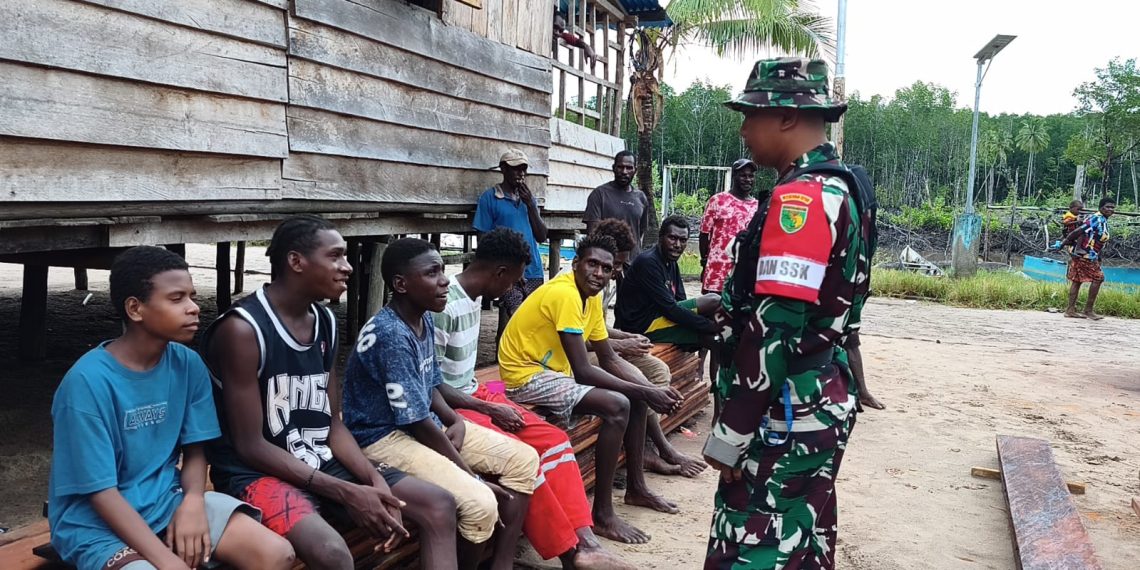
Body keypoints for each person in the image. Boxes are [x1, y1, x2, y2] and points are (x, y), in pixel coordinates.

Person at [203, 216, 459, 570]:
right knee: (333, 553)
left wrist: (373, 481)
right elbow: (250, 445)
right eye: (336, 256)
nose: (348, 266)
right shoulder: (243, 331)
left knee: (439, 505)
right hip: (255, 473)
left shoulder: (324, 321)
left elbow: (332, 424)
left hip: (318, 458)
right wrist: (346, 491)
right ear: (296, 262)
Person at [703, 58, 870, 570]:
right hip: (815, 397)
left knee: (752, 546)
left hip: (786, 408)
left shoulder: (801, 197)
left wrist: (731, 432)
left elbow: (774, 327)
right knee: (802, 542)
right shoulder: (847, 186)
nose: (743, 128)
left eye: (751, 115)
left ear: (787, 117)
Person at [49, 246, 295, 570]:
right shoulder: (86, 384)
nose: (194, 308)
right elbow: (101, 494)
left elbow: (196, 451)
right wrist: (166, 560)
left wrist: (192, 501)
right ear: (135, 309)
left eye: (192, 296)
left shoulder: (188, 364)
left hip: (167, 503)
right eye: (177, 298)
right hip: (96, 526)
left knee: (277, 554)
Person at [432, 228, 635, 570]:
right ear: (500, 273)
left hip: (472, 395)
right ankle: (571, 552)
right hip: (452, 407)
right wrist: (486, 406)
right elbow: (431, 385)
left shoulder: (471, 300)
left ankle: (586, 538)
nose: (513, 288)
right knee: (523, 457)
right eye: (514, 280)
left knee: (554, 439)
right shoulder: (443, 306)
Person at [343, 238, 538, 570]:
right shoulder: (392, 334)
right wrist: (469, 475)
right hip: (381, 438)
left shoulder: (423, 315)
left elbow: (431, 382)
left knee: (524, 460)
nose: (445, 280)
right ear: (401, 284)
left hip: (419, 425)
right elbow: (416, 422)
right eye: (432, 272)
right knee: (480, 503)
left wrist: (456, 421)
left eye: (442, 270)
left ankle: (501, 564)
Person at [498, 233, 683, 545]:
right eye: (592, 264)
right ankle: (602, 515)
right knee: (619, 405)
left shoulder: (594, 295)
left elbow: (608, 356)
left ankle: (636, 489)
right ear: (576, 264)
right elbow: (584, 370)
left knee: (634, 396)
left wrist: (647, 389)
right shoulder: (565, 294)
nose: (599, 273)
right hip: (524, 377)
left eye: (606, 268)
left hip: (554, 372)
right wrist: (648, 392)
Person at [589, 218, 708, 478]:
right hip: (565, 360)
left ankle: (653, 447)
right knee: (638, 384)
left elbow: (596, 328)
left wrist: (622, 336)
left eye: (616, 265)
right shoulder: (576, 286)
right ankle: (656, 450)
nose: (619, 272)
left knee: (654, 371)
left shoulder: (599, 283)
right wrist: (623, 342)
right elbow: (576, 341)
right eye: (616, 265)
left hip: (608, 344)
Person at [473, 149, 549, 343]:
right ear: (504, 169)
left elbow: (541, 235)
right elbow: (484, 243)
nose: (521, 173)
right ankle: (504, 361)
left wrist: (531, 205)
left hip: (533, 271)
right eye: (516, 169)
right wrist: (511, 268)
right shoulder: (489, 198)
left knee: (535, 321)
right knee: (515, 319)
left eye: (523, 169)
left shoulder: (529, 199)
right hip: (506, 273)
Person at [616, 215, 721, 351]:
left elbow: (680, 299)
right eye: (672, 238)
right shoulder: (648, 262)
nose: (677, 245)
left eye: (683, 240)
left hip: (662, 316)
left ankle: (707, 366)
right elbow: (671, 309)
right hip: (642, 326)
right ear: (661, 237)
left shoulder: (670, 262)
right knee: (714, 302)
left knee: (717, 328)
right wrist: (711, 326)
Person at [699, 159, 760, 295]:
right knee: (711, 312)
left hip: (742, 274)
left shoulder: (757, 206)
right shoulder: (717, 200)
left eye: (751, 176)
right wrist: (704, 263)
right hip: (716, 273)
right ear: (734, 176)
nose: (747, 179)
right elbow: (704, 234)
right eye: (743, 175)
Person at [584, 151, 650, 256]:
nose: (624, 172)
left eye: (629, 168)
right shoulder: (599, 195)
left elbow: (640, 231)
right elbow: (592, 234)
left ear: (635, 170)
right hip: (607, 261)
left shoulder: (641, 198)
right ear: (613, 168)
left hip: (633, 263)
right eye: (620, 167)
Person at [1061, 196, 1115, 320]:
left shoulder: (1102, 219)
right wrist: (1064, 243)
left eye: (1112, 207)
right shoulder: (1096, 218)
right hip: (1084, 254)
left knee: (1077, 280)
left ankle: (1070, 310)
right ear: (1101, 208)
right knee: (1098, 278)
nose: (1110, 209)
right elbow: (1078, 232)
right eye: (1107, 207)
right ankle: (1088, 310)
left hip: (1086, 254)